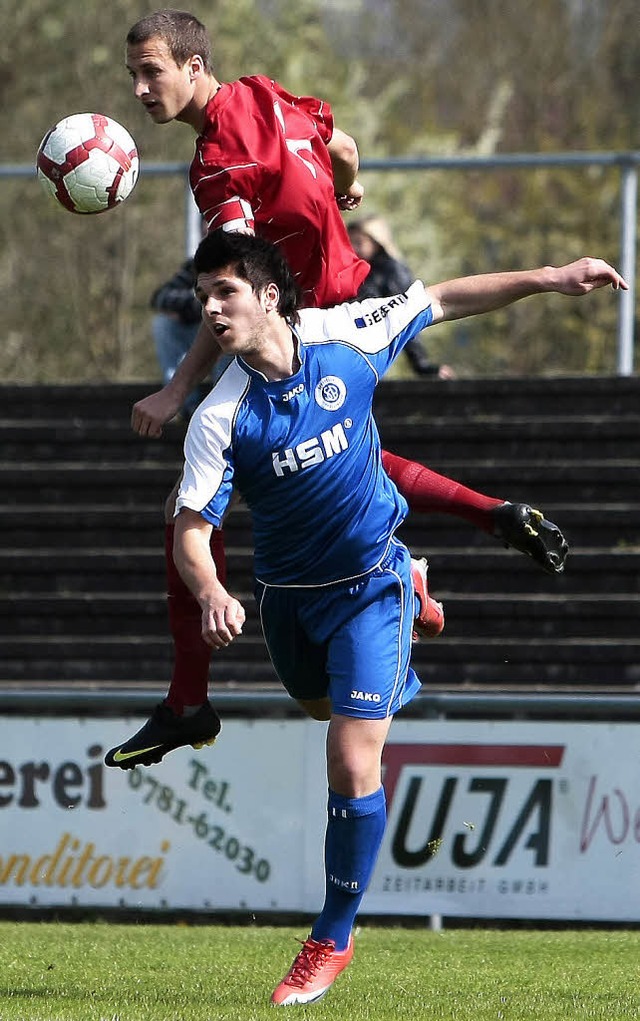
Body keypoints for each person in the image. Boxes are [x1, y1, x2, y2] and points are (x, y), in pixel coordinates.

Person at [105, 9, 569, 771]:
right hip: (351, 301)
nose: (139, 89)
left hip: (308, 328)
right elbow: (344, 147)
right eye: (132, 75)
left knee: (185, 511)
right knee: (337, 453)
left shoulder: (218, 164)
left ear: (194, 66)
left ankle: (188, 702)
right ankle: (471, 527)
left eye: (150, 71)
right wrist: (341, 194)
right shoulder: (268, 94)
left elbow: (235, 284)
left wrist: (178, 388)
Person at [170, 230, 625, 1004]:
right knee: (320, 711)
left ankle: (330, 938)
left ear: (269, 296)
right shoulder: (221, 415)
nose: (211, 309)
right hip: (290, 600)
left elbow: (442, 297)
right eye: (203, 297)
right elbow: (188, 530)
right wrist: (212, 589)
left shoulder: (347, 335)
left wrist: (551, 276)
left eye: (226, 292)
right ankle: (419, 587)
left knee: (351, 761)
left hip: (368, 586)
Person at [348, 216, 455, 378]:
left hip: (366, 355)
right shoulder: (355, 270)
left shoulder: (391, 271)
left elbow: (407, 316)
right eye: (350, 242)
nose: (353, 249)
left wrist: (421, 364)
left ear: (376, 242)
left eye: (359, 242)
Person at [150, 257, 202, 419]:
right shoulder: (196, 266)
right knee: (162, 323)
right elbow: (160, 297)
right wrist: (192, 304)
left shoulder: (239, 260)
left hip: (230, 340)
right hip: (198, 334)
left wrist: (199, 302)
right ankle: (184, 405)